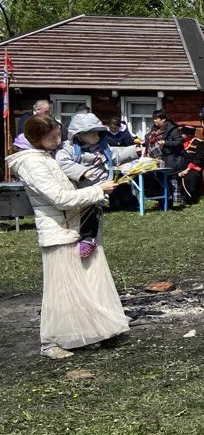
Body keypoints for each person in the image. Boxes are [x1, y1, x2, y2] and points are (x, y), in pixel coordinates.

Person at [8, 115, 130, 359]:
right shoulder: (31, 163)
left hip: (75, 226)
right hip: (59, 232)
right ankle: (51, 342)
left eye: (58, 134)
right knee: (61, 292)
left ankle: (91, 332)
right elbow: (60, 198)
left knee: (87, 285)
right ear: (36, 139)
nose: (58, 140)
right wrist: (97, 190)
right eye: (52, 137)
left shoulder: (45, 156)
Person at [53, 112, 140, 258]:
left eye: (99, 134)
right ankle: (86, 238)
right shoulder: (68, 149)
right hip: (82, 187)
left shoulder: (101, 147)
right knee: (86, 213)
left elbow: (115, 155)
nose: (97, 137)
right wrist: (82, 172)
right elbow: (63, 162)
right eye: (93, 134)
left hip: (100, 186)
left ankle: (90, 238)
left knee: (95, 211)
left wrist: (133, 151)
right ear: (80, 135)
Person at [146, 109, 186, 206]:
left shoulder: (172, 129)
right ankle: (163, 201)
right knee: (158, 179)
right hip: (158, 158)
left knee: (171, 179)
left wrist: (165, 142)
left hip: (171, 158)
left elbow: (179, 142)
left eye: (156, 119)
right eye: (153, 119)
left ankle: (175, 200)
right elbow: (148, 137)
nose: (154, 121)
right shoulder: (155, 129)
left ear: (163, 119)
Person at [178, 125, 204, 202]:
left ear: (189, 135)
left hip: (195, 166)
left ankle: (192, 197)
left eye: (183, 134)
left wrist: (187, 169)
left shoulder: (199, 143)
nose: (182, 135)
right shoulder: (181, 142)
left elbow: (199, 158)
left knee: (191, 176)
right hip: (183, 165)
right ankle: (181, 196)